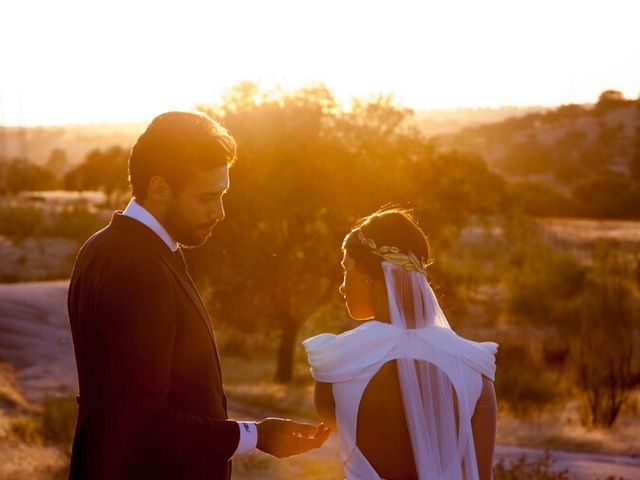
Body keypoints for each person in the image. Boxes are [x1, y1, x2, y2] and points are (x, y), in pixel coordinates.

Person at [67, 111, 329, 480]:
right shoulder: (140, 268)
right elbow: (145, 421)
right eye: (208, 197)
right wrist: (255, 435)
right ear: (160, 189)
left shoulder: (101, 247)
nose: (220, 212)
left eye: (222, 196)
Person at [303, 208, 498, 480]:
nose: (342, 287)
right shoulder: (475, 367)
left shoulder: (335, 362)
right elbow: (481, 475)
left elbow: (335, 430)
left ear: (372, 277)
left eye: (346, 269)